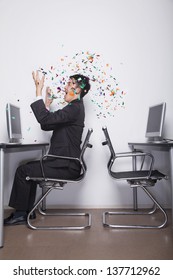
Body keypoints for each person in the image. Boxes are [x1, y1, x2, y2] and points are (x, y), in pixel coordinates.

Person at [4, 71, 91, 225]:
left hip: (66, 166)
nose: (65, 87)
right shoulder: (73, 108)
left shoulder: (74, 108)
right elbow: (46, 124)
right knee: (27, 169)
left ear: (77, 90)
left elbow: (45, 119)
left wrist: (38, 91)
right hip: (64, 163)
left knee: (23, 171)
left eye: (69, 84)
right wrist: (47, 105)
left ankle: (20, 214)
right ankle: (25, 212)